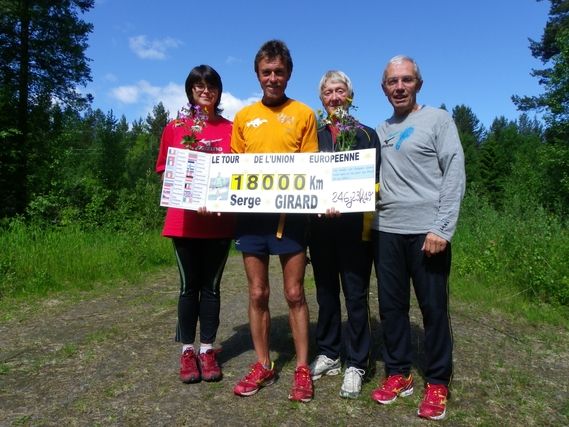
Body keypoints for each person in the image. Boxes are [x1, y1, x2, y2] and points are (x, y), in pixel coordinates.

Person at [370, 55, 465, 420]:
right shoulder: (379, 131)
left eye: (406, 80)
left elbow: (454, 172)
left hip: (428, 233)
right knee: (392, 308)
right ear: (384, 88)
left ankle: (438, 380)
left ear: (418, 84)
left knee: (433, 308)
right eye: (392, 81)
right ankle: (398, 373)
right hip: (386, 231)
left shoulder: (438, 120)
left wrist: (442, 228)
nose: (399, 87)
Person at [231, 39, 318, 402]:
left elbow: (312, 168)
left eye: (279, 72)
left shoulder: (304, 114)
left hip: (290, 217)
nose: (272, 78)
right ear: (257, 74)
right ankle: (263, 363)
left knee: (294, 293)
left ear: (289, 74)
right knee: (257, 292)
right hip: (251, 219)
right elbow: (233, 170)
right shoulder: (243, 117)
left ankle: (302, 368)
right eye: (266, 72)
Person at [155, 65, 235, 384]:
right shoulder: (175, 127)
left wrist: (214, 196)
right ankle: (187, 351)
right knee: (188, 286)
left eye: (211, 85)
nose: (205, 90)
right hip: (184, 221)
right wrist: (190, 191)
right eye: (198, 85)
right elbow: (165, 169)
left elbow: (237, 173)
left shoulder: (230, 129)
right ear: (190, 90)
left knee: (211, 288)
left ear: (219, 91)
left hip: (219, 222)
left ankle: (207, 349)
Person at [308, 70, 380, 399]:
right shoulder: (314, 136)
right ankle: (329, 353)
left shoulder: (366, 135)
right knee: (325, 294)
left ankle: (357, 363)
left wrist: (349, 201)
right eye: (328, 92)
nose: (335, 97)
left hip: (354, 229)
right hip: (321, 229)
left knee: (355, 296)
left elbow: (375, 180)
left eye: (340, 91)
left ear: (350, 96)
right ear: (321, 98)